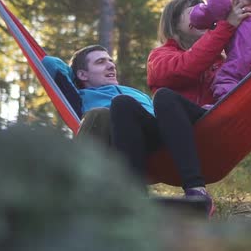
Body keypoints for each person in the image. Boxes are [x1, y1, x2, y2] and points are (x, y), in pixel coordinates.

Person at [67, 45, 217, 217]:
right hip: (130, 142)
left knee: (163, 96)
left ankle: (197, 191)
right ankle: (135, 199)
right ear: (82, 74)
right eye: (100, 62)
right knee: (121, 103)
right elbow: (50, 65)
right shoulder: (81, 96)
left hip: (172, 133)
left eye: (110, 60)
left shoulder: (134, 92)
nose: (111, 65)